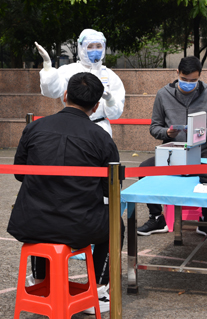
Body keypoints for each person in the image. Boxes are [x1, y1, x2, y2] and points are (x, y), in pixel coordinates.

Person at [8, 72, 124, 315]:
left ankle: (40, 280)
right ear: (96, 106)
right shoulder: (101, 138)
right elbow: (111, 190)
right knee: (116, 223)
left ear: (64, 95)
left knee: (42, 209)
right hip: (79, 226)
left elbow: (19, 173)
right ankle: (99, 289)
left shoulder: (35, 127)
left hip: (31, 222)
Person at [136, 56, 207, 239]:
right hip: (171, 152)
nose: (188, 84)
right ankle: (156, 217)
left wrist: (200, 133)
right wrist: (167, 133)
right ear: (177, 73)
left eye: (193, 80)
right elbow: (154, 127)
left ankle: (206, 219)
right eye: (184, 79)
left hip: (201, 151)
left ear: (200, 76)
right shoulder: (163, 94)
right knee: (144, 169)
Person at [35, 29, 125, 136]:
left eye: (98, 46)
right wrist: (48, 67)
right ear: (81, 47)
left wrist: (110, 100)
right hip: (73, 127)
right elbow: (51, 91)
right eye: (90, 46)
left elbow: (115, 114)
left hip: (100, 129)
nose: (95, 50)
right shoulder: (68, 70)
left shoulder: (111, 76)